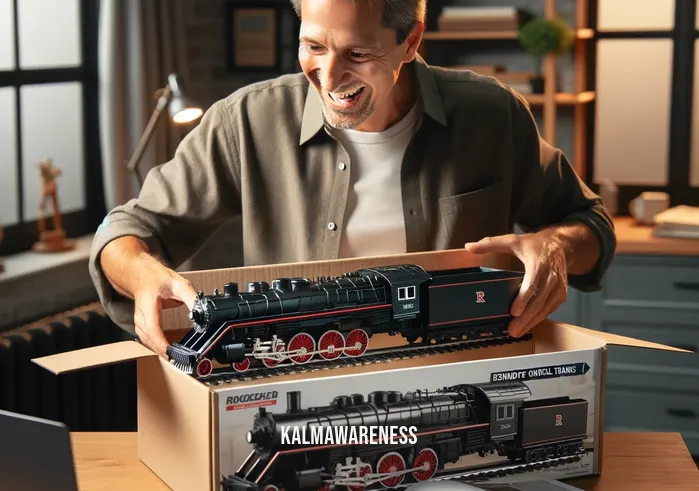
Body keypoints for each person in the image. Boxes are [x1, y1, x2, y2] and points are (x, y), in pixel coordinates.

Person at [89, 0, 616, 357]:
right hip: (295, 389)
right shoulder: (246, 121)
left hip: (457, 381)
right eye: (313, 46)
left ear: (411, 42)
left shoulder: (493, 115)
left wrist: (554, 248)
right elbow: (127, 230)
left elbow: (590, 225)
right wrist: (141, 274)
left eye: (359, 53)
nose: (330, 74)